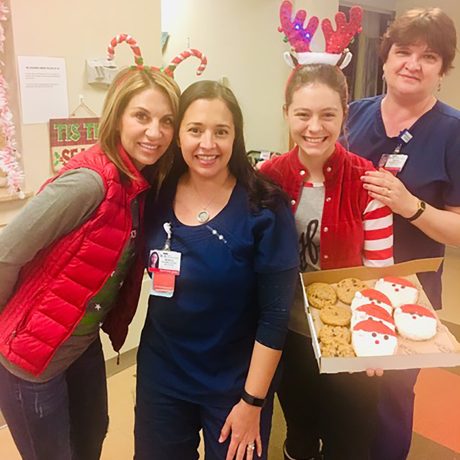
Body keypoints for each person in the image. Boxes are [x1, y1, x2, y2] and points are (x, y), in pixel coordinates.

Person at [0, 66, 180, 460]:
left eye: (167, 121)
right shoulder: (90, 182)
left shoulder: (139, 184)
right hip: (32, 358)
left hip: (80, 345)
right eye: (142, 116)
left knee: (91, 440)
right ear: (117, 117)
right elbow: (5, 251)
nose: (155, 132)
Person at [134, 80, 299, 460]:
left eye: (221, 132)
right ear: (178, 137)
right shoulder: (155, 195)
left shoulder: (265, 206)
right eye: (195, 130)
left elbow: (275, 317)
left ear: (236, 137)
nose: (207, 144)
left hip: (235, 381)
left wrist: (252, 401)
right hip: (164, 374)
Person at [260, 64, 394, 460]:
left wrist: (374, 338)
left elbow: (378, 271)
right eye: (303, 114)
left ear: (344, 115)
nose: (314, 126)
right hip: (288, 337)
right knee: (300, 434)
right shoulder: (267, 179)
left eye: (327, 114)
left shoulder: (366, 181)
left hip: (350, 341)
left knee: (350, 441)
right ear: (286, 113)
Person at [344, 7, 460, 460]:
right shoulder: (354, 115)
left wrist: (410, 206)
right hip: (347, 282)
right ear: (386, 57)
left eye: (429, 56)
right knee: (345, 392)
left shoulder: (452, 132)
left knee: (392, 397)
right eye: (403, 51)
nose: (413, 63)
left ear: (442, 70)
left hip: (410, 290)